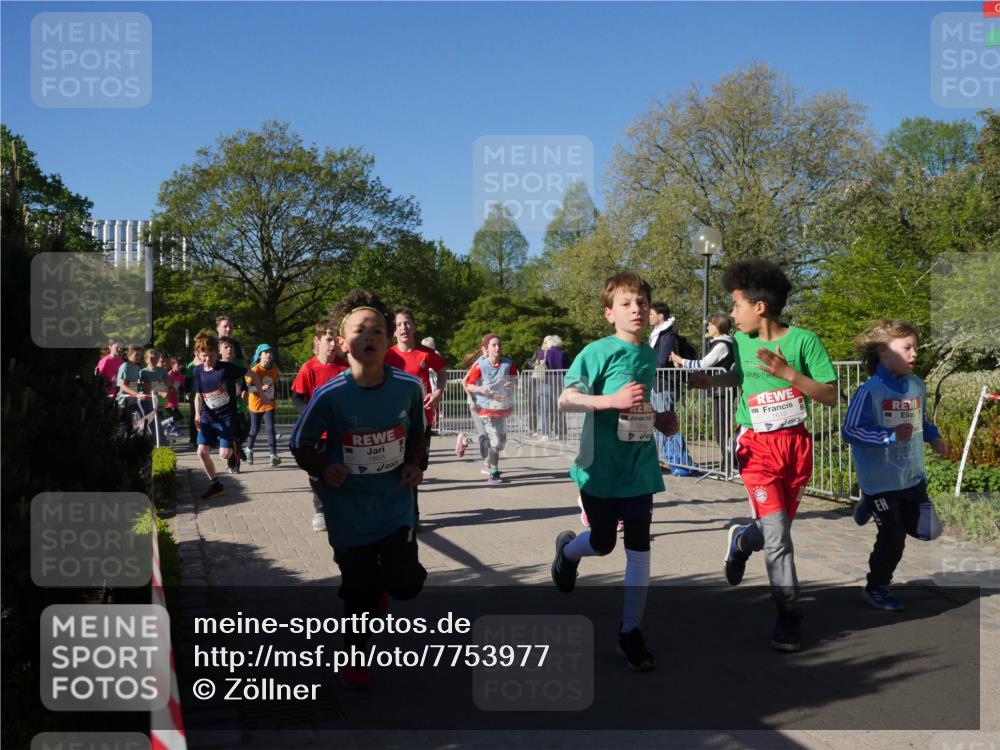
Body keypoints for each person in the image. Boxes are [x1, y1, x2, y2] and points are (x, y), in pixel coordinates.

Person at [690, 259, 838, 652]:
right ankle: (788, 614)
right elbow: (742, 376)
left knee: (777, 532)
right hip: (755, 446)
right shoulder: (740, 342)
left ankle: (740, 541)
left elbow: (830, 394)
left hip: (795, 447)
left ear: (760, 307)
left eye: (736, 305)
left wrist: (790, 374)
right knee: (778, 540)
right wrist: (712, 379)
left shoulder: (804, 341)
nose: (730, 314)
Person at [289, 289, 427, 691]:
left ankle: (384, 589)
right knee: (358, 592)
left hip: (394, 505)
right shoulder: (330, 394)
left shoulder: (407, 387)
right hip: (348, 510)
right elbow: (300, 443)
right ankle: (356, 659)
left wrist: (415, 464)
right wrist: (324, 466)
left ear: (388, 342)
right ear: (343, 341)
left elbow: (418, 429)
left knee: (406, 584)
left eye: (378, 331)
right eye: (359, 331)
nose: (369, 337)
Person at [550, 271, 678, 672]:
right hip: (600, 467)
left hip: (639, 467)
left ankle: (630, 631)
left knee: (639, 546)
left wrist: (658, 420)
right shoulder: (596, 351)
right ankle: (568, 552)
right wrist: (609, 400)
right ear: (610, 314)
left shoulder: (646, 355)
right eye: (626, 303)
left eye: (641, 302)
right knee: (603, 542)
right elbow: (566, 400)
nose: (636, 309)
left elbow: (636, 405)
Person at [842, 319, 948, 611]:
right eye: (907, 348)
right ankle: (876, 586)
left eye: (915, 348)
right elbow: (849, 430)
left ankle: (866, 502)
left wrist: (934, 437)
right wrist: (887, 436)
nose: (914, 354)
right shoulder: (870, 391)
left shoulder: (916, 385)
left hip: (911, 476)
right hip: (881, 480)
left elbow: (920, 420)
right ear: (883, 352)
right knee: (893, 536)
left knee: (930, 531)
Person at [385, 308, 447, 528]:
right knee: (393, 468)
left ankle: (412, 516)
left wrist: (438, 392)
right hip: (393, 421)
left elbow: (442, 372)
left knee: (414, 467)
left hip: (421, 419)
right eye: (399, 324)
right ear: (393, 331)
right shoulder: (387, 355)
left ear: (414, 327)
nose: (404, 327)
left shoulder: (425, 353)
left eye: (408, 323)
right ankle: (400, 515)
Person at [291, 320, 349, 532]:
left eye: (336, 340)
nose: (333, 345)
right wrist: (310, 414)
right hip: (317, 434)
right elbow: (296, 398)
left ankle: (341, 508)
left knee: (343, 470)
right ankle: (320, 509)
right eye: (328, 340)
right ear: (318, 341)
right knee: (317, 473)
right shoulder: (309, 368)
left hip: (342, 432)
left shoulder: (346, 368)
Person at [193, 331, 264, 498]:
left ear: (217, 353)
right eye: (204, 356)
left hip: (227, 417)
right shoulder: (197, 371)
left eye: (211, 355)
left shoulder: (226, 368)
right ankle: (215, 484)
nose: (208, 359)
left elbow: (251, 373)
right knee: (201, 451)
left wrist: (262, 393)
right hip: (207, 418)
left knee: (224, 454)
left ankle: (235, 447)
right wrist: (197, 414)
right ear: (198, 354)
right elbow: (198, 395)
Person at [671, 313, 736, 473]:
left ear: (718, 326)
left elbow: (703, 364)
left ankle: (730, 465)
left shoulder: (722, 345)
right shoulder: (720, 343)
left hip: (723, 391)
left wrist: (681, 360)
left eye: (710, 324)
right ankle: (727, 465)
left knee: (722, 429)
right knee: (720, 428)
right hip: (720, 391)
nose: (708, 327)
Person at [464, 333, 518, 485]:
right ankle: (493, 472)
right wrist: (481, 389)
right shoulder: (480, 365)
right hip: (484, 407)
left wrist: (511, 384)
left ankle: (466, 440)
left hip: (501, 407)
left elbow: (515, 378)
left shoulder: (508, 363)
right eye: (493, 345)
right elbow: (468, 384)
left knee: (501, 442)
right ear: (486, 349)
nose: (497, 347)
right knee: (494, 440)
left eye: (499, 345)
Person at [649, 303, 696, 473]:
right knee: (659, 423)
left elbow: (661, 362)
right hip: (659, 384)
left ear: (661, 316)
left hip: (665, 384)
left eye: (651, 314)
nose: (648, 316)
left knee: (666, 423)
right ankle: (666, 460)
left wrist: (646, 363)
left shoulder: (667, 336)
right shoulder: (658, 335)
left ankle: (682, 464)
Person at [454, 350, 492, 476]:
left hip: (489, 405)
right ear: (485, 349)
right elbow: (465, 382)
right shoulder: (478, 363)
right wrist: (473, 400)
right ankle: (486, 465)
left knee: (490, 435)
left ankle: (465, 441)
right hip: (476, 405)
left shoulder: (493, 364)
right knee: (485, 436)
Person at [246, 343, 281, 467]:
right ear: (259, 356)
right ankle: (249, 450)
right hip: (255, 403)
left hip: (269, 402)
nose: (268, 355)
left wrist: (276, 392)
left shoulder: (274, 369)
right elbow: (248, 388)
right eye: (265, 353)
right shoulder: (255, 370)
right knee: (254, 429)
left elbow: (275, 382)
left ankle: (273, 456)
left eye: (270, 352)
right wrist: (260, 387)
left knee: (270, 429)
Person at [219, 335, 249, 471]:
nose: (229, 350)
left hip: (239, 405)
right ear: (220, 350)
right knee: (232, 436)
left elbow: (245, 381)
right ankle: (233, 464)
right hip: (224, 407)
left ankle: (239, 447)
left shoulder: (239, 365)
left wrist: (244, 390)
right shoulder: (217, 367)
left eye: (231, 347)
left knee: (244, 430)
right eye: (226, 347)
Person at [538, 335, 570, 440]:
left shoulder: (543, 353)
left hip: (546, 383)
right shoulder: (563, 354)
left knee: (546, 409)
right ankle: (561, 433)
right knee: (559, 409)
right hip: (559, 384)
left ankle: (545, 434)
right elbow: (568, 368)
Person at [138, 348, 169, 441]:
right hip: (147, 401)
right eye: (151, 358)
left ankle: (155, 442)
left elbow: (167, 382)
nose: (153, 360)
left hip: (160, 401)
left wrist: (165, 389)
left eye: (156, 358)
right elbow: (143, 387)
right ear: (146, 359)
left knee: (157, 422)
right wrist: (158, 391)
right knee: (152, 423)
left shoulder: (162, 371)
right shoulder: (143, 372)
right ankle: (159, 443)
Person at [116, 345, 144, 431]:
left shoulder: (137, 367)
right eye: (136, 355)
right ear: (129, 355)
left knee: (131, 427)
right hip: (123, 403)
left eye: (140, 355)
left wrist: (140, 387)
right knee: (123, 427)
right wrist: (136, 394)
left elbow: (134, 383)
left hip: (133, 402)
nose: (139, 357)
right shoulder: (125, 366)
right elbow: (122, 385)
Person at [165, 356, 186, 424]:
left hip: (175, 402)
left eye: (181, 364)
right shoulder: (169, 375)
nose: (180, 366)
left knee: (175, 418)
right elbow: (168, 387)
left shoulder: (181, 376)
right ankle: (163, 425)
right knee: (177, 416)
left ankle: (169, 428)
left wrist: (186, 393)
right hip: (168, 402)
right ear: (172, 365)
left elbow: (182, 388)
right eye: (178, 365)